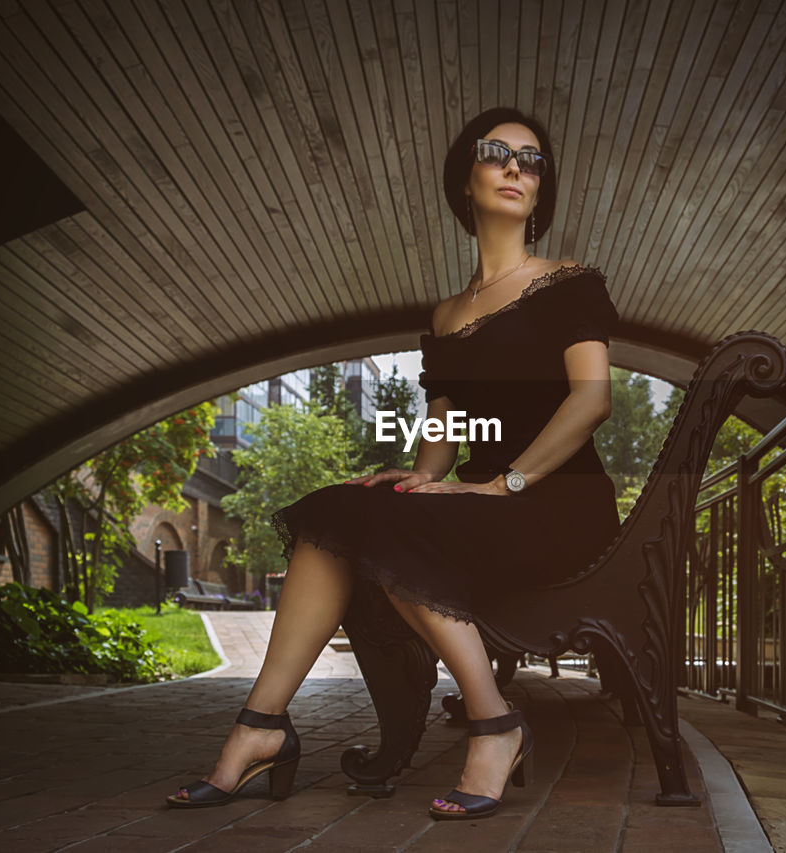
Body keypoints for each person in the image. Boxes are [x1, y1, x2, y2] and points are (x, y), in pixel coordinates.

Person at [165, 107, 621, 820]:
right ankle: (262, 724)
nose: (515, 168)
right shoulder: (444, 317)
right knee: (335, 512)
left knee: (383, 529)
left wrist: (508, 482)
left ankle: (495, 724)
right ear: (465, 180)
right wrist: (416, 477)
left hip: (561, 505)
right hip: (482, 499)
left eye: (531, 161)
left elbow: (593, 401)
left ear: (541, 188)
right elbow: (445, 429)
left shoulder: (571, 283)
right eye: (497, 152)